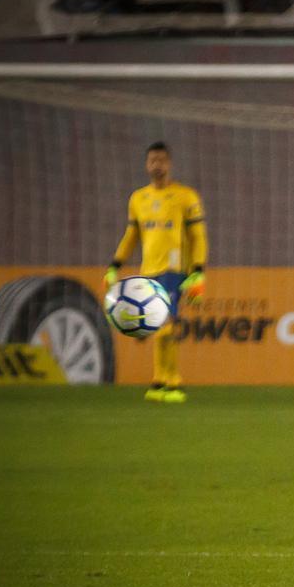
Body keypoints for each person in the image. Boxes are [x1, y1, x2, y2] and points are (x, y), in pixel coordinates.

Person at [104, 142, 208, 403]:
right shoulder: (138, 198)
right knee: (156, 326)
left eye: (161, 160)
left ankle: (173, 383)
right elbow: (131, 235)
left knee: (164, 326)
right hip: (148, 272)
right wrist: (115, 265)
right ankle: (159, 381)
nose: (157, 165)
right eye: (152, 160)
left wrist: (198, 271)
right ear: (146, 164)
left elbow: (198, 236)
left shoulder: (186, 196)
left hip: (174, 270)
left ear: (169, 163)